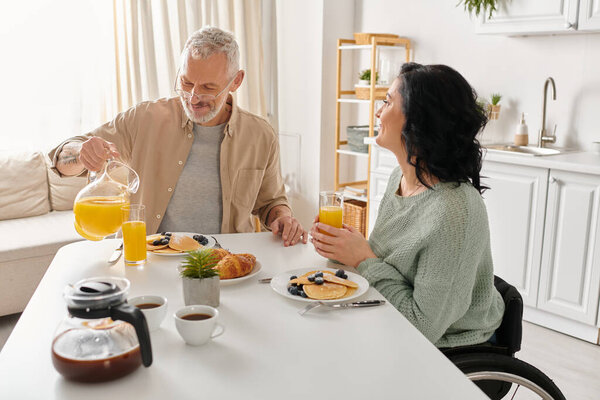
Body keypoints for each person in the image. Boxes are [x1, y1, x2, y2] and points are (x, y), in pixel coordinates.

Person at [50, 26, 306, 247]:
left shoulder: (261, 136)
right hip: (150, 259)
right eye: (186, 83)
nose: (193, 98)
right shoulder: (145, 118)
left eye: (208, 88)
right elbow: (62, 160)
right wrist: (81, 153)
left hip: (228, 266)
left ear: (236, 81)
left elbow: (271, 202)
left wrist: (281, 217)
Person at [310, 63, 505, 348]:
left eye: (387, 102)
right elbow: (390, 262)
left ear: (419, 120)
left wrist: (362, 259)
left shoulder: (454, 211)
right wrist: (345, 247)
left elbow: (423, 325)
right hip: (391, 319)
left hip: (450, 347)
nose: (378, 112)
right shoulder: (399, 179)